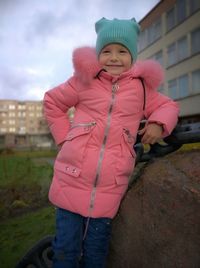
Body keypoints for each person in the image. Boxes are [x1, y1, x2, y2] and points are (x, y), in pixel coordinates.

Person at [43, 17, 179, 268]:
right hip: (71, 178)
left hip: (109, 186)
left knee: (96, 253)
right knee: (65, 250)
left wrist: (158, 123)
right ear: (98, 54)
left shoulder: (141, 89)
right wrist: (65, 138)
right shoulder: (84, 81)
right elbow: (53, 102)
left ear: (133, 56)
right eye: (106, 51)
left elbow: (168, 106)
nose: (114, 57)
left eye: (122, 51)